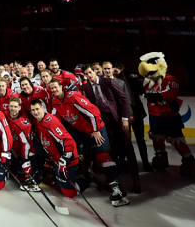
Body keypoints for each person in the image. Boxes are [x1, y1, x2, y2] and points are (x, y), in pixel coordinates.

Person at [49, 79, 128, 207]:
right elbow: (55, 119)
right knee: (69, 148)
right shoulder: (55, 101)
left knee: (102, 156)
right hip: (81, 130)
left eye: (56, 88)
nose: (54, 90)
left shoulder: (73, 96)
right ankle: (86, 175)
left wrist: (96, 130)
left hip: (95, 129)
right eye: (51, 89)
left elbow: (94, 112)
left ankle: (117, 187)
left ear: (61, 87)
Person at [138, 52, 195, 177]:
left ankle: (188, 160)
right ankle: (160, 157)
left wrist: (157, 95)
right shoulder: (146, 80)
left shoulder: (171, 80)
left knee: (177, 139)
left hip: (169, 116)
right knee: (157, 137)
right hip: (154, 115)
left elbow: (171, 96)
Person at [82, 64, 140, 193]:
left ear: (96, 71)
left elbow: (124, 99)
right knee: (109, 149)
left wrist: (125, 118)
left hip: (118, 118)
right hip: (104, 121)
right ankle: (112, 179)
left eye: (90, 72)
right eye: (86, 74)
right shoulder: (86, 86)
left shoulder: (108, 81)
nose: (89, 75)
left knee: (128, 148)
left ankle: (136, 180)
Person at [29, 99, 90, 198]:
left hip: (66, 157)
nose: (35, 112)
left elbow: (68, 141)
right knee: (60, 183)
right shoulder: (39, 120)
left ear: (42, 108)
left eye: (37, 109)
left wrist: (64, 160)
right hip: (58, 158)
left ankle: (88, 179)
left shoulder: (50, 122)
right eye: (33, 110)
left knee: (69, 193)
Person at [5, 97, 39, 192]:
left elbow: (26, 145)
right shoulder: (6, 116)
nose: (13, 109)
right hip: (13, 151)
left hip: (25, 152)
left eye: (15, 106)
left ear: (19, 108)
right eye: (11, 106)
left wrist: (25, 161)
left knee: (23, 176)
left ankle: (33, 175)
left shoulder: (23, 123)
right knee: (15, 174)